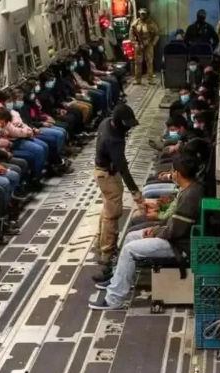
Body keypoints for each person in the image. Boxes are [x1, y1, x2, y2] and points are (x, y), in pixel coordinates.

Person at [90, 153, 205, 309]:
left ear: (178, 173)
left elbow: (175, 231)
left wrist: (156, 232)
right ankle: (117, 280)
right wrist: (157, 228)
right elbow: (174, 226)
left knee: (129, 250)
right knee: (131, 236)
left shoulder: (190, 196)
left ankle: (114, 299)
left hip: (180, 245)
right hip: (175, 237)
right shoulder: (190, 188)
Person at [94, 103, 144, 274]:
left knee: (107, 208)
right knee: (113, 213)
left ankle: (100, 241)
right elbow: (123, 168)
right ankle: (107, 253)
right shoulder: (113, 140)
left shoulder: (106, 122)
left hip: (102, 171)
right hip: (108, 175)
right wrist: (135, 191)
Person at [130, 8, 159, 85]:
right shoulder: (135, 23)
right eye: (141, 14)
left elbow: (156, 35)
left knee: (149, 62)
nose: (142, 15)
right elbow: (131, 34)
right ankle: (137, 79)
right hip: (139, 45)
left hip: (148, 44)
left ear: (147, 14)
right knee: (138, 63)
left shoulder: (151, 24)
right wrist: (135, 43)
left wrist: (153, 43)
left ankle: (150, 79)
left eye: (143, 14)